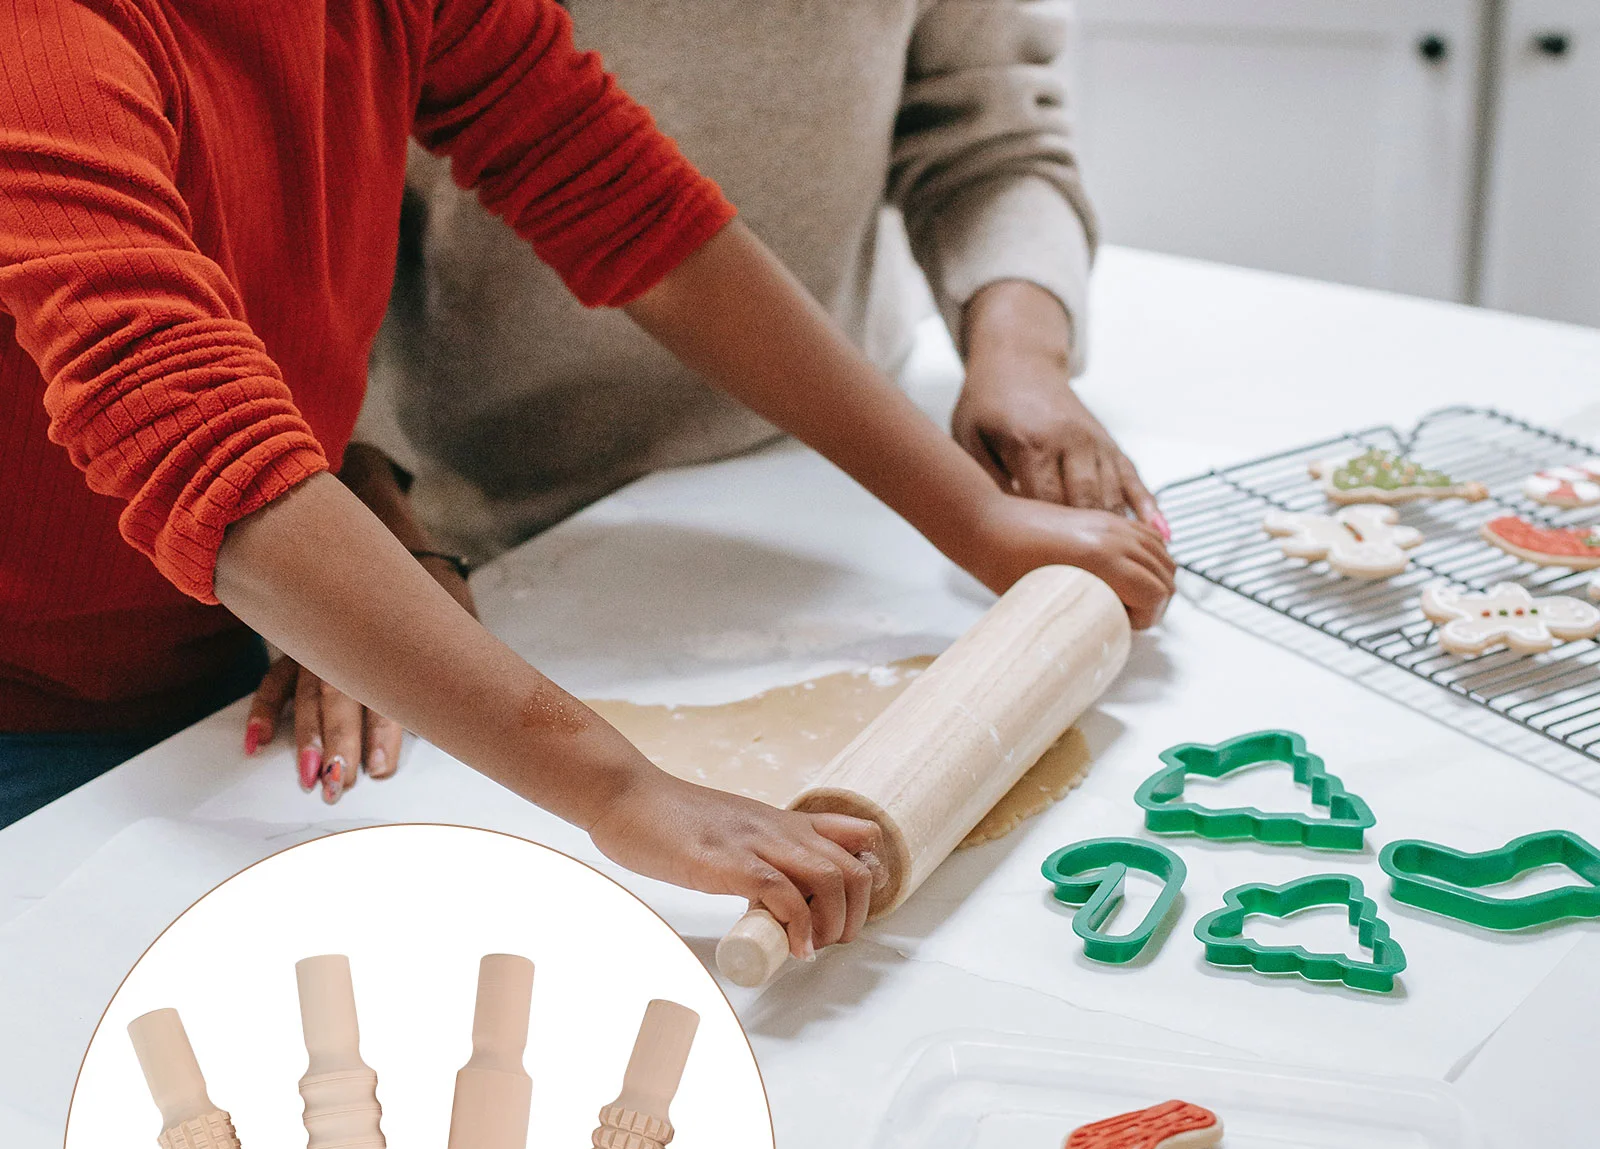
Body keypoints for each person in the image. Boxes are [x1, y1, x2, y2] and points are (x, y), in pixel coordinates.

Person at [0, 0, 1172, 961]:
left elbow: (626, 201)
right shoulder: (37, 37)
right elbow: (201, 449)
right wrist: (619, 790)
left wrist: (973, 516)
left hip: (205, 640)